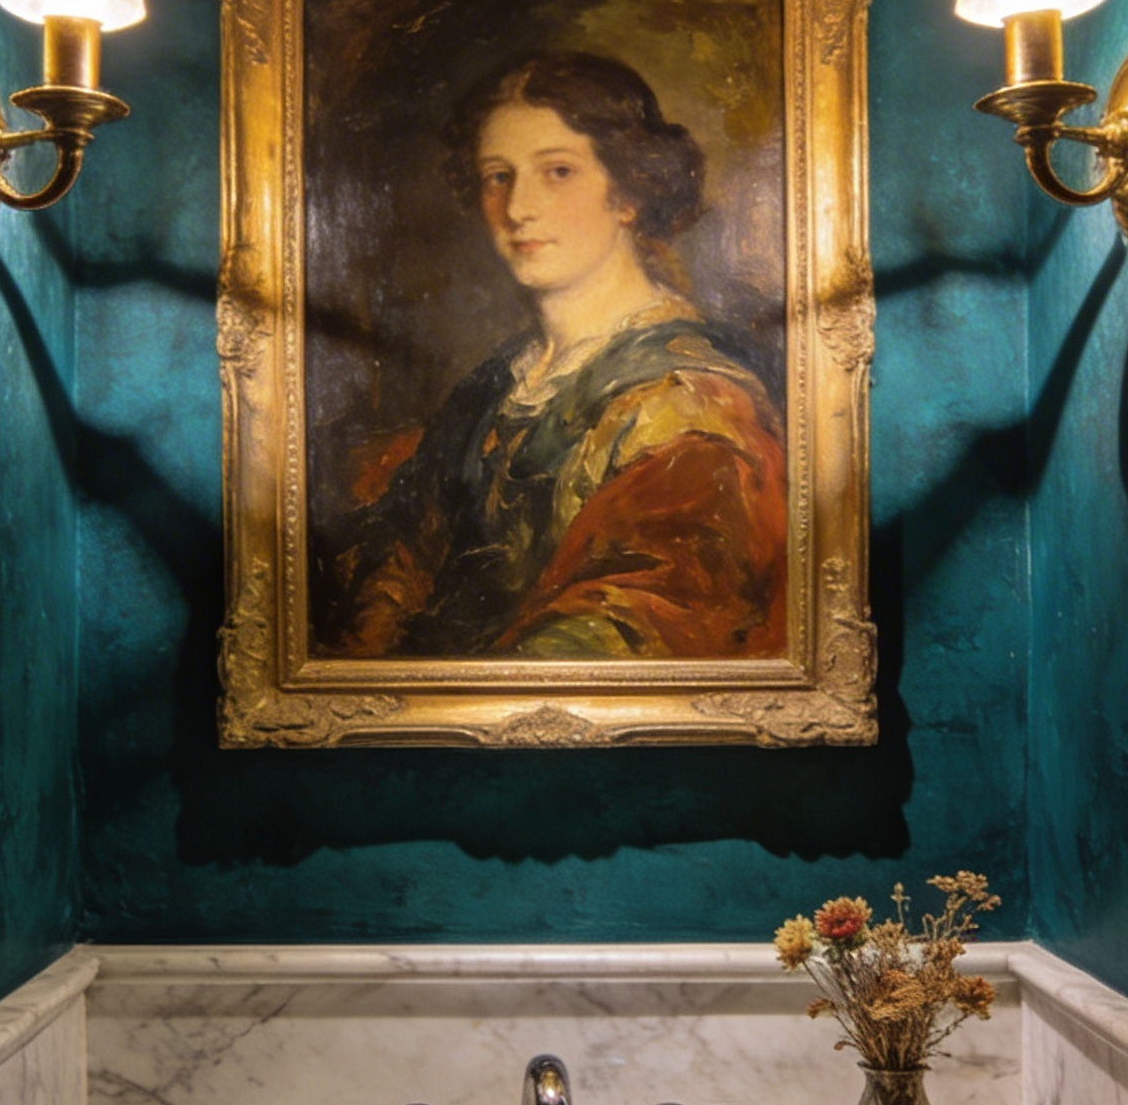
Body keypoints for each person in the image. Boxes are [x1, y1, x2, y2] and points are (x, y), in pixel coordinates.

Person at [331, 49, 787, 661]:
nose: (518, 208)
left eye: (558, 171)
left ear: (629, 190)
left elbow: (637, 624)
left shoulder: (694, 404)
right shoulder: (498, 384)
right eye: (498, 175)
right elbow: (402, 550)